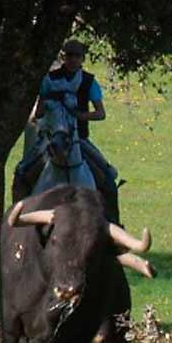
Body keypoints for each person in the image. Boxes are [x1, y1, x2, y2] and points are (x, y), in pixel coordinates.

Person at [16, 41, 122, 215]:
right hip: (50, 139)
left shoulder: (89, 82)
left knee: (108, 177)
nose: (73, 60)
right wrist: (45, 103)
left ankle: (112, 222)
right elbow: (39, 114)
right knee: (22, 172)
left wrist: (80, 115)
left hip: (79, 139)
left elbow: (100, 113)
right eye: (69, 56)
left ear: (82, 59)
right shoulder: (49, 79)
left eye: (77, 56)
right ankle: (18, 222)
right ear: (64, 57)